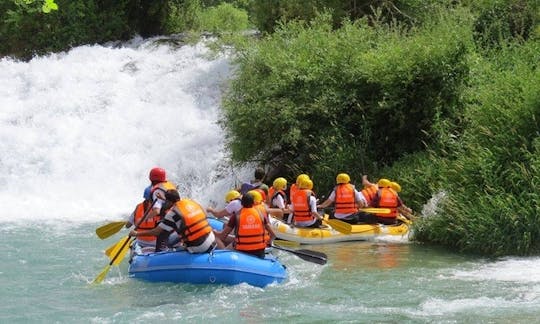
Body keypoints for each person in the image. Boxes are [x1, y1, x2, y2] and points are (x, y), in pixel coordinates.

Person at [129, 189, 224, 253]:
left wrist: (136, 233)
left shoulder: (172, 213)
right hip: (211, 239)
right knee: (177, 232)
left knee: (168, 239)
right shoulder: (191, 202)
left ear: (169, 202)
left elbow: (156, 232)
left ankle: (163, 254)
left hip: (198, 247)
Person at [215, 192, 276, 258]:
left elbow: (223, 236)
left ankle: (222, 257)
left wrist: (214, 233)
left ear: (242, 203)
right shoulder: (261, 215)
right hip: (259, 251)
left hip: (242, 249)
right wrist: (269, 241)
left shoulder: (236, 216)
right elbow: (273, 235)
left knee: (217, 239)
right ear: (253, 203)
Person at [124, 185, 160, 252]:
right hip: (155, 241)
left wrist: (128, 221)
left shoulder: (138, 207)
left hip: (140, 241)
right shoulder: (159, 207)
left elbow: (127, 225)